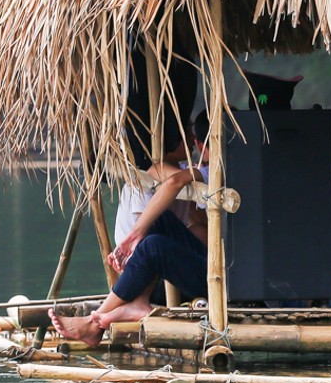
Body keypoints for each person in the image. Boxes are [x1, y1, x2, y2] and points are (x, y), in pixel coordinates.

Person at [53, 115, 216, 345]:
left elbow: (174, 183)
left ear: (202, 144)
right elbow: (195, 222)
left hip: (218, 281)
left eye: (193, 136)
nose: (191, 141)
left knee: (152, 245)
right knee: (158, 225)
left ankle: (94, 321)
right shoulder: (199, 172)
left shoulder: (215, 170)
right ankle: (132, 303)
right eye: (185, 133)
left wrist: (135, 236)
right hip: (138, 277)